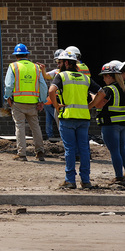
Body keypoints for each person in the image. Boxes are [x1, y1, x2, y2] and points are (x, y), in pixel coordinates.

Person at [47, 49, 95, 189]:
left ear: (67, 63)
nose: (59, 64)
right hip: (83, 118)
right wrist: (90, 106)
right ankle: (86, 181)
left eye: (60, 62)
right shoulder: (85, 78)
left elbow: (51, 91)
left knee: (70, 150)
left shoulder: (61, 76)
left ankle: (70, 180)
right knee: (84, 149)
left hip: (67, 117)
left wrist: (56, 106)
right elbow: (101, 93)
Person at [92, 61, 125, 186]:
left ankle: (118, 177)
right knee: (122, 150)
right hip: (123, 124)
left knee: (115, 151)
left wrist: (93, 96)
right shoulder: (123, 89)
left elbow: (99, 104)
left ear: (110, 76)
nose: (104, 79)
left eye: (105, 76)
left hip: (110, 124)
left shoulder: (108, 89)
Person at [3, 43, 47, 161]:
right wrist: (42, 100)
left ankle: (22, 154)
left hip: (17, 102)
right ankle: (40, 152)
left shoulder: (13, 66)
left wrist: (7, 97)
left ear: (16, 56)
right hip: (33, 103)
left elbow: (8, 85)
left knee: (20, 127)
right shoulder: (36, 67)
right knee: (35, 127)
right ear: (27, 54)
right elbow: (43, 86)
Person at [42, 50, 65, 142]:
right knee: (58, 120)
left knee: (50, 120)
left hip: (51, 101)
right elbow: (46, 76)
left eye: (59, 62)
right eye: (57, 62)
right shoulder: (57, 72)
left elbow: (46, 76)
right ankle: (58, 137)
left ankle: (50, 136)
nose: (58, 64)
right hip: (54, 101)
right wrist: (43, 69)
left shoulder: (58, 73)